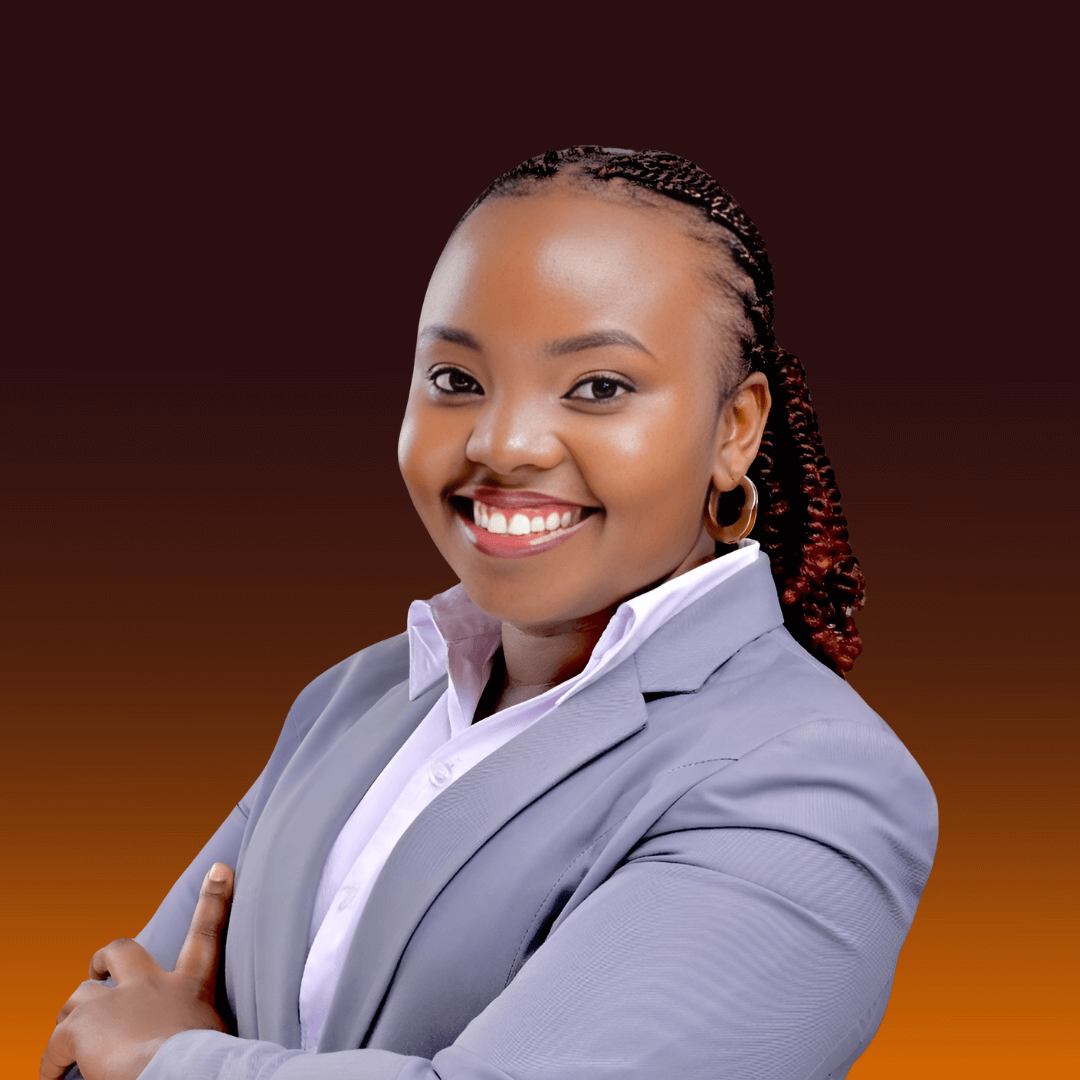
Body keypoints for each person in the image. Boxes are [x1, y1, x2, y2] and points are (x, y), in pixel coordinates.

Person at [42, 146, 938, 1080]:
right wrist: (144, 1049)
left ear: (735, 428)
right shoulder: (356, 699)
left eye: (599, 387)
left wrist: (169, 1060)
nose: (502, 444)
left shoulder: (813, 780)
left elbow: (128, 1048)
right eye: (456, 380)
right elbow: (87, 1040)